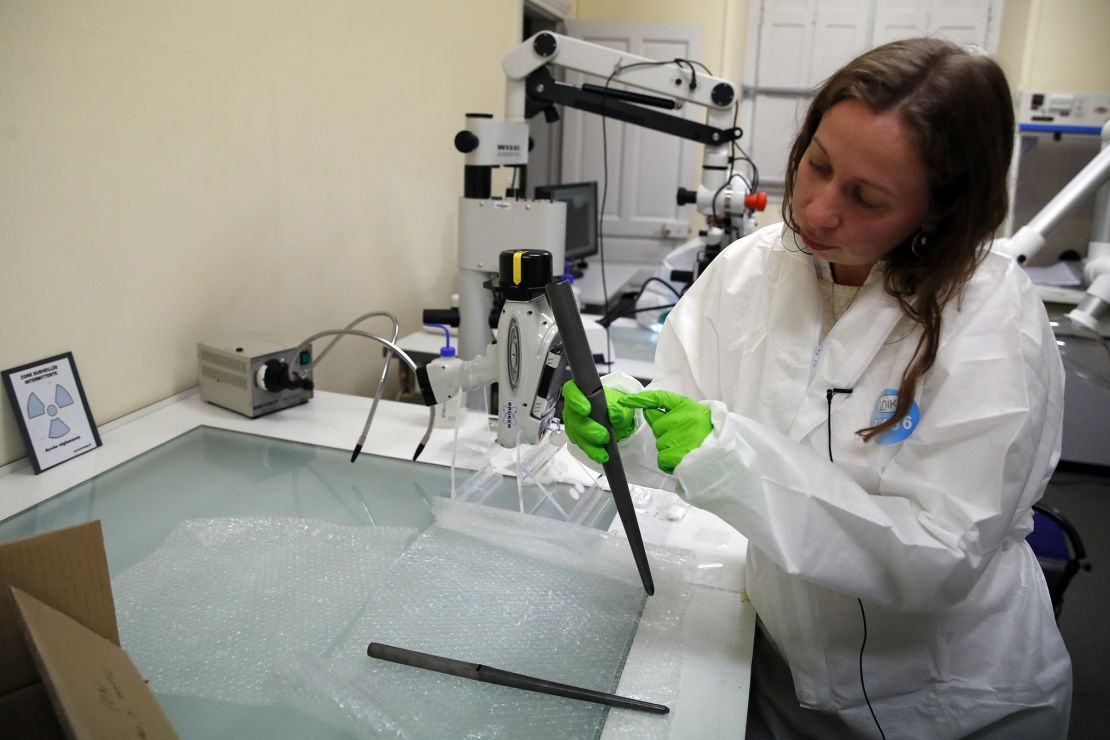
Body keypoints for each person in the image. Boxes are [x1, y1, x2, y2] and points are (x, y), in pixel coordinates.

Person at [561, 38, 1071, 738]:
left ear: (941, 209)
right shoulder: (751, 271)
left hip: (947, 696)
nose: (819, 211)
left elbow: (937, 556)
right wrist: (628, 433)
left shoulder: (991, 317)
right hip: (781, 668)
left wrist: (721, 454)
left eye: (866, 197)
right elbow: (684, 428)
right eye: (817, 165)